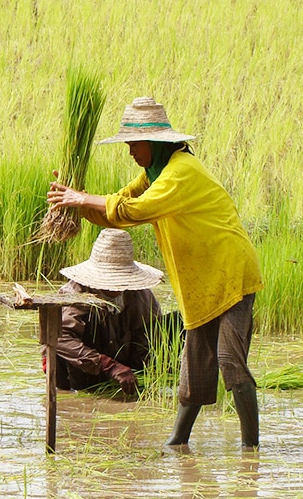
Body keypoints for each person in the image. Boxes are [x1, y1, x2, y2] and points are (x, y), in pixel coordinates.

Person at [47, 96, 264, 450]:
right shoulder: (155, 173)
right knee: (194, 363)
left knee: (229, 361)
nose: (131, 152)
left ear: (155, 142)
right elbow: (118, 206)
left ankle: (250, 452)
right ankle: (177, 442)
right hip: (202, 282)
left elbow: (137, 209)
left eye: (135, 144)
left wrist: (82, 199)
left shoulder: (180, 173)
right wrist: (75, 201)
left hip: (231, 275)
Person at [47, 228, 163, 396]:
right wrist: (109, 365)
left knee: (176, 322)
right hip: (85, 368)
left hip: (126, 361)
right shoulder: (76, 294)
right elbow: (59, 337)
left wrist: (149, 368)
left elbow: (149, 334)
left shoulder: (140, 294)